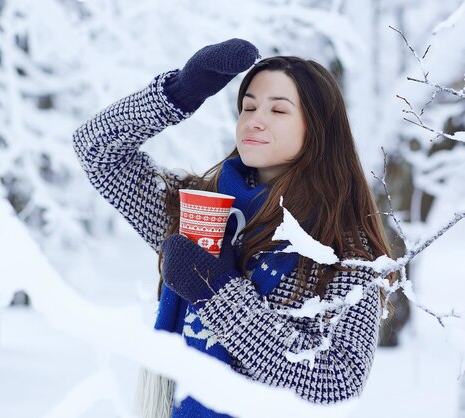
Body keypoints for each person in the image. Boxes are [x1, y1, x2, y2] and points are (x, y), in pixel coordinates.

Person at [72, 38, 394, 417]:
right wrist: (181, 91)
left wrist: (218, 293)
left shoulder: (343, 251)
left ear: (319, 129)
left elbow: (336, 384)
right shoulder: (198, 212)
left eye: (278, 110)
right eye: (248, 106)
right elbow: (96, 150)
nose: (255, 119)